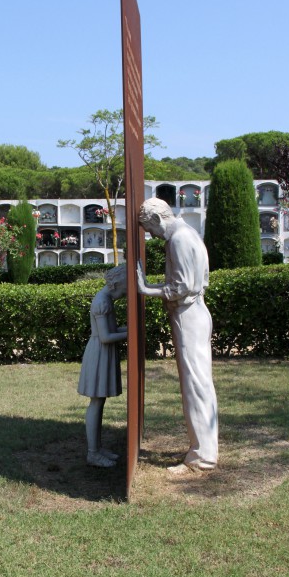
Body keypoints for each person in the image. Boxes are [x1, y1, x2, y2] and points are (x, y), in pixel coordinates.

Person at [137, 198, 218, 474]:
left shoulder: (178, 239)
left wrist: (147, 290)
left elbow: (181, 287)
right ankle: (203, 450)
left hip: (188, 315)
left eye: (149, 229)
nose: (151, 235)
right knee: (199, 384)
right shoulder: (189, 234)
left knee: (195, 386)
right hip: (195, 312)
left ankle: (202, 456)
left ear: (158, 220)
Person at [78, 265, 128, 468]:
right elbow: (106, 337)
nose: (125, 293)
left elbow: (111, 329)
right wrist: (131, 333)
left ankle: (97, 448)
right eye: (125, 289)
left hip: (103, 352)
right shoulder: (101, 302)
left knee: (100, 402)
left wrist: (127, 328)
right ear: (117, 284)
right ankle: (93, 452)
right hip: (99, 353)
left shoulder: (105, 299)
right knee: (96, 402)